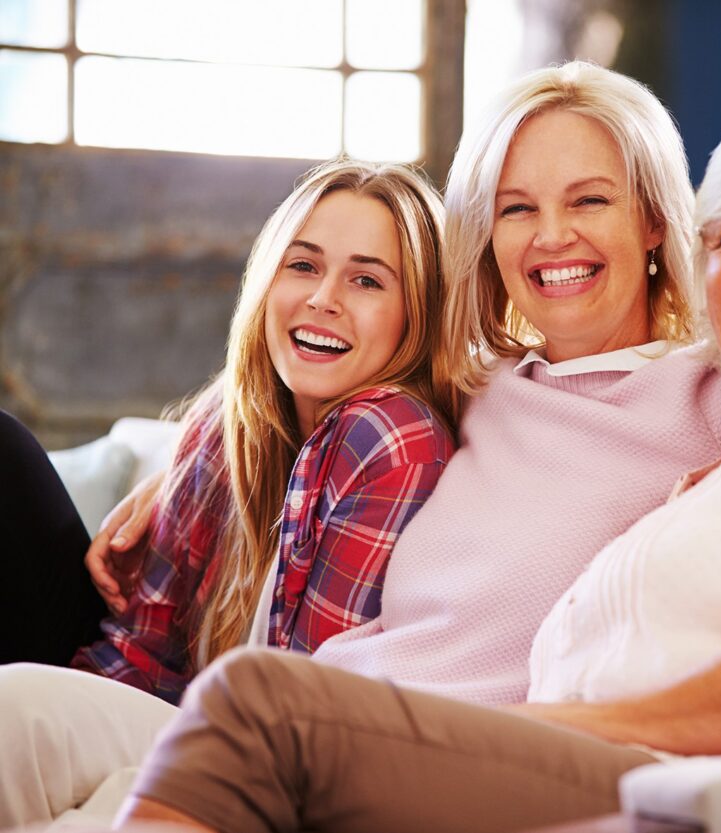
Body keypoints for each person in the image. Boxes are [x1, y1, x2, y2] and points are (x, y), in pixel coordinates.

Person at [8, 61, 721, 826]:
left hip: (434, 747)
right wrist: (192, 445)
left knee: (242, 710)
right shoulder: (473, 385)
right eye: (517, 209)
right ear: (483, 237)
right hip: (325, 702)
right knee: (19, 705)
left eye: (588, 200)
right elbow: (314, 355)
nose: (553, 237)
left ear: (655, 225)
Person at [0, 159, 454, 824]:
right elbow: (143, 651)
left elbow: (301, 707)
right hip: (183, 707)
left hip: (259, 749)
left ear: (418, 311)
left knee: (18, 708)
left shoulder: (389, 437)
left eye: (365, 279)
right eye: (302, 265)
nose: (323, 296)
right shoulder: (230, 419)